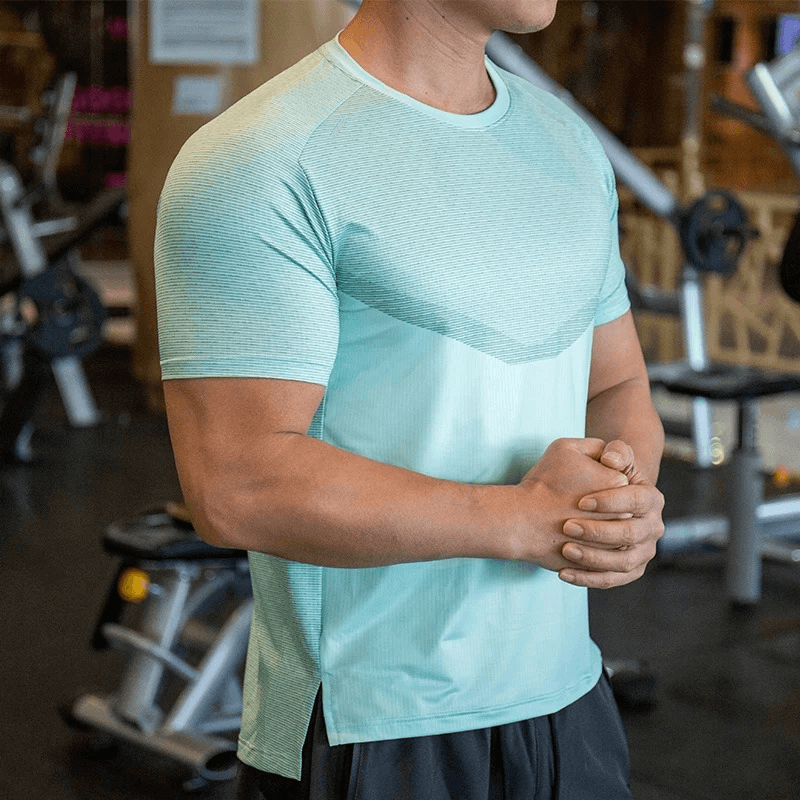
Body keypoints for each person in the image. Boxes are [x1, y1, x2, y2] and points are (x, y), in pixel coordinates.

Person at [154, 1, 665, 797]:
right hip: (373, 727)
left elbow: (615, 383)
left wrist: (621, 505)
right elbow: (238, 486)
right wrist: (525, 519)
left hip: (570, 700)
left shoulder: (567, 143)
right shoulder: (260, 157)